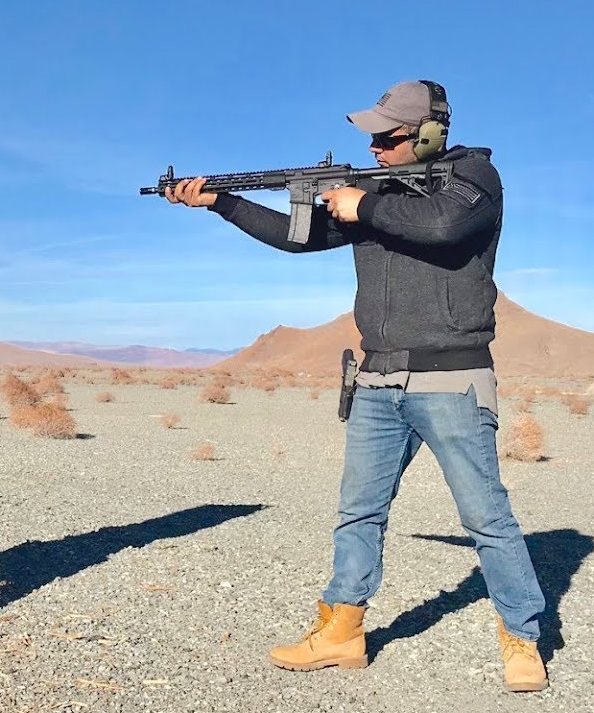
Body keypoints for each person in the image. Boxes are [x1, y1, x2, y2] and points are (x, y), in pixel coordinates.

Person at [163, 80, 549, 693]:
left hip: (452, 381)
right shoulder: (376, 191)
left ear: (428, 132)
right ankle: (343, 630)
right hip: (375, 380)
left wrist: (361, 205)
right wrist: (222, 204)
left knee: (486, 518)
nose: (375, 147)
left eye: (389, 136)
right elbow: (302, 236)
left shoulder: (473, 179)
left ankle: (522, 636)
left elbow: (445, 225)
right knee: (358, 514)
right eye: (371, 136)